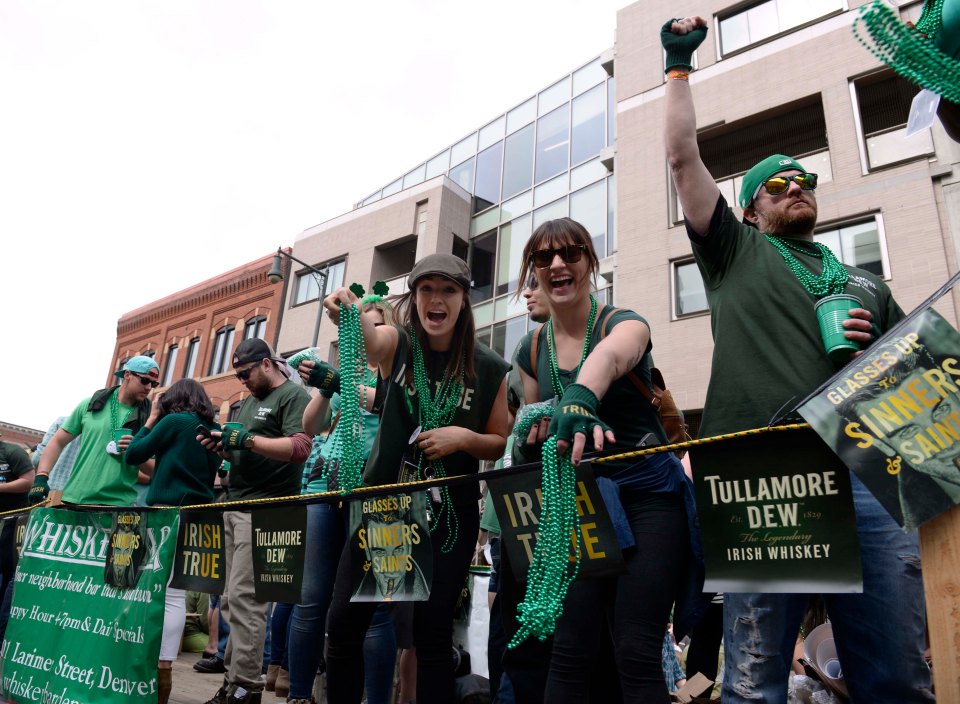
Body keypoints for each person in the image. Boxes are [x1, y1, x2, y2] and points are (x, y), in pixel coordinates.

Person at [662, 17, 933, 703]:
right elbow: (683, 159)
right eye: (776, 185)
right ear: (750, 211)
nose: (793, 187)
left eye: (804, 180)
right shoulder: (734, 253)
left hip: (870, 476)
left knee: (896, 672)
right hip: (764, 470)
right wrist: (678, 67)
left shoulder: (866, 283)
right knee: (755, 683)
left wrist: (883, 358)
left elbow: (921, 389)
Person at [503, 217, 698, 704]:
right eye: (544, 258)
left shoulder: (624, 322)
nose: (557, 264)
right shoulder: (529, 350)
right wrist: (531, 438)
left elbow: (610, 358)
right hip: (579, 501)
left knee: (634, 648)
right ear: (534, 272)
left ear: (591, 262)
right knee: (568, 650)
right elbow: (525, 431)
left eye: (570, 253)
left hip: (648, 494)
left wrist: (579, 398)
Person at [322, 253, 510, 704]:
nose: (436, 299)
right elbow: (372, 342)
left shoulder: (488, 366)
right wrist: (351, 315)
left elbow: (498, 441)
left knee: (430, 635)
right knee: (344, 626)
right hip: (385, 507)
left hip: (450, 517)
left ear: (465, 299)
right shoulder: (401, 345)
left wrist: (463, 437)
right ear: (414, 298)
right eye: (426, 289)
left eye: (448, 290)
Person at [285, 295, 399, 704]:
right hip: (324, 488)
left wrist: (343, 385)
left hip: (377, 490)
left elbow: (395, 408)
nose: (359, 335)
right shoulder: (348, 371)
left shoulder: (395, 368)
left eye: (366, 326)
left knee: (377, 605)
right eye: (352, 328)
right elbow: (311, 425)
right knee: (311, 599)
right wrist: (327, 386)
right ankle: (299, 696)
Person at [198, 338, 312, 704]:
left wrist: (246, 441)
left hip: (270, 509)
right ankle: (234, 682)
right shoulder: (248, 402)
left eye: (244, 373)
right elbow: (242, 447)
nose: (241, 381)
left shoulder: (293, 396)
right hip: (237, 505)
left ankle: (246, 686)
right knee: (231, 601)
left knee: (248, 600)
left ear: (266, 364)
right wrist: (224, 447)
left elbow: (300, 448)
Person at [125, 378, 223, 704]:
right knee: (175, 595)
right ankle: (164, 671)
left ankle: (145, 666)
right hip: (198, 517)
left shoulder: (176, 420)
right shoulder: (212, 427)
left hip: (166, 515)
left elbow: (134, 454)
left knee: (145, 587)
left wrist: (151, 419)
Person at [483, 274, 550, 704]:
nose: (525, 293)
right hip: (511, 509)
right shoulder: (522, 355)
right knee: (505, 619)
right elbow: (503, 433)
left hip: (565, 502)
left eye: (534, 284)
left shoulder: (603, 338)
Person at [30, 355, 159, 506]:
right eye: (144, 381)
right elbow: (58, 441)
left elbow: (155, 471)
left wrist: (136, 452)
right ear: (127, 375)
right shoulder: (91, 404)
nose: (149, 388)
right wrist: (41, 477)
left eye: (154, 384)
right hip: (74, 499)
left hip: (120, 507)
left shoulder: (151, 418)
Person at [31, 416, 80, 505]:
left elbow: (37, 458)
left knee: (46, 518)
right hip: (80, 496)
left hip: (49, 491)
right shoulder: (105, 429)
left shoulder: (62, 421)